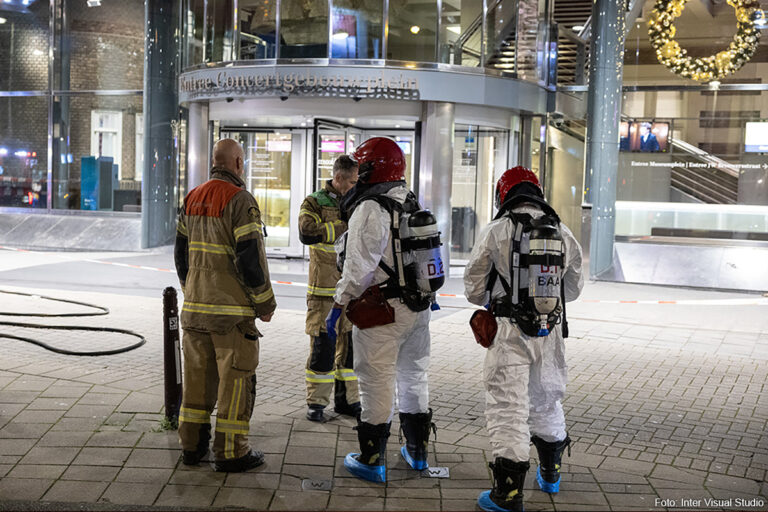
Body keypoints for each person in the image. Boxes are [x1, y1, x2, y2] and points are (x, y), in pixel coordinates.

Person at [464, 166, 584, 512]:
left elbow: (473, 290)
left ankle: (508, 494)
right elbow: (572, 290)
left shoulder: (496, 230)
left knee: (508, 407)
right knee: (546, 400)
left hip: (508, 331)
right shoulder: (562, 231)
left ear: (504, 195)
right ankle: (551, 475)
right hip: (550, 332)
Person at [325, 137, 435, 483]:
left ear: (373, 168)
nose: (357, 174)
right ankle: (417, 452)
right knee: (414, 375)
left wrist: (337, 306)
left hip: (381, 313)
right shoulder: (410, 201)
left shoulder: (371, 208)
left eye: (362, 167)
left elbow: (358, 269)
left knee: (376, 380)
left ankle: (372, 459)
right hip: (418, 309)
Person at [174, 138, 276, 473]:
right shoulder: (240, 199)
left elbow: (181, 254)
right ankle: (232, 452)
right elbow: (250, 259)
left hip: (195, 310)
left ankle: (191, 448)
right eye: (242, 162)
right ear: (236, 163)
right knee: (235, 384)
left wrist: (192, 289)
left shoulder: (192, 197)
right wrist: (265, 304)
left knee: (197, 383)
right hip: (230, 316)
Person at [298, 154, 361, 422]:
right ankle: (317, 404)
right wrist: (343, 228)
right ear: (338, 178)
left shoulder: (358, 201)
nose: (355, 186)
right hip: (324, 292)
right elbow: (306, 231)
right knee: (323, 349)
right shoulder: (315, 201)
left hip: (353, 291)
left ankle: (347, 401)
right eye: (352, 182)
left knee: (351, 352)